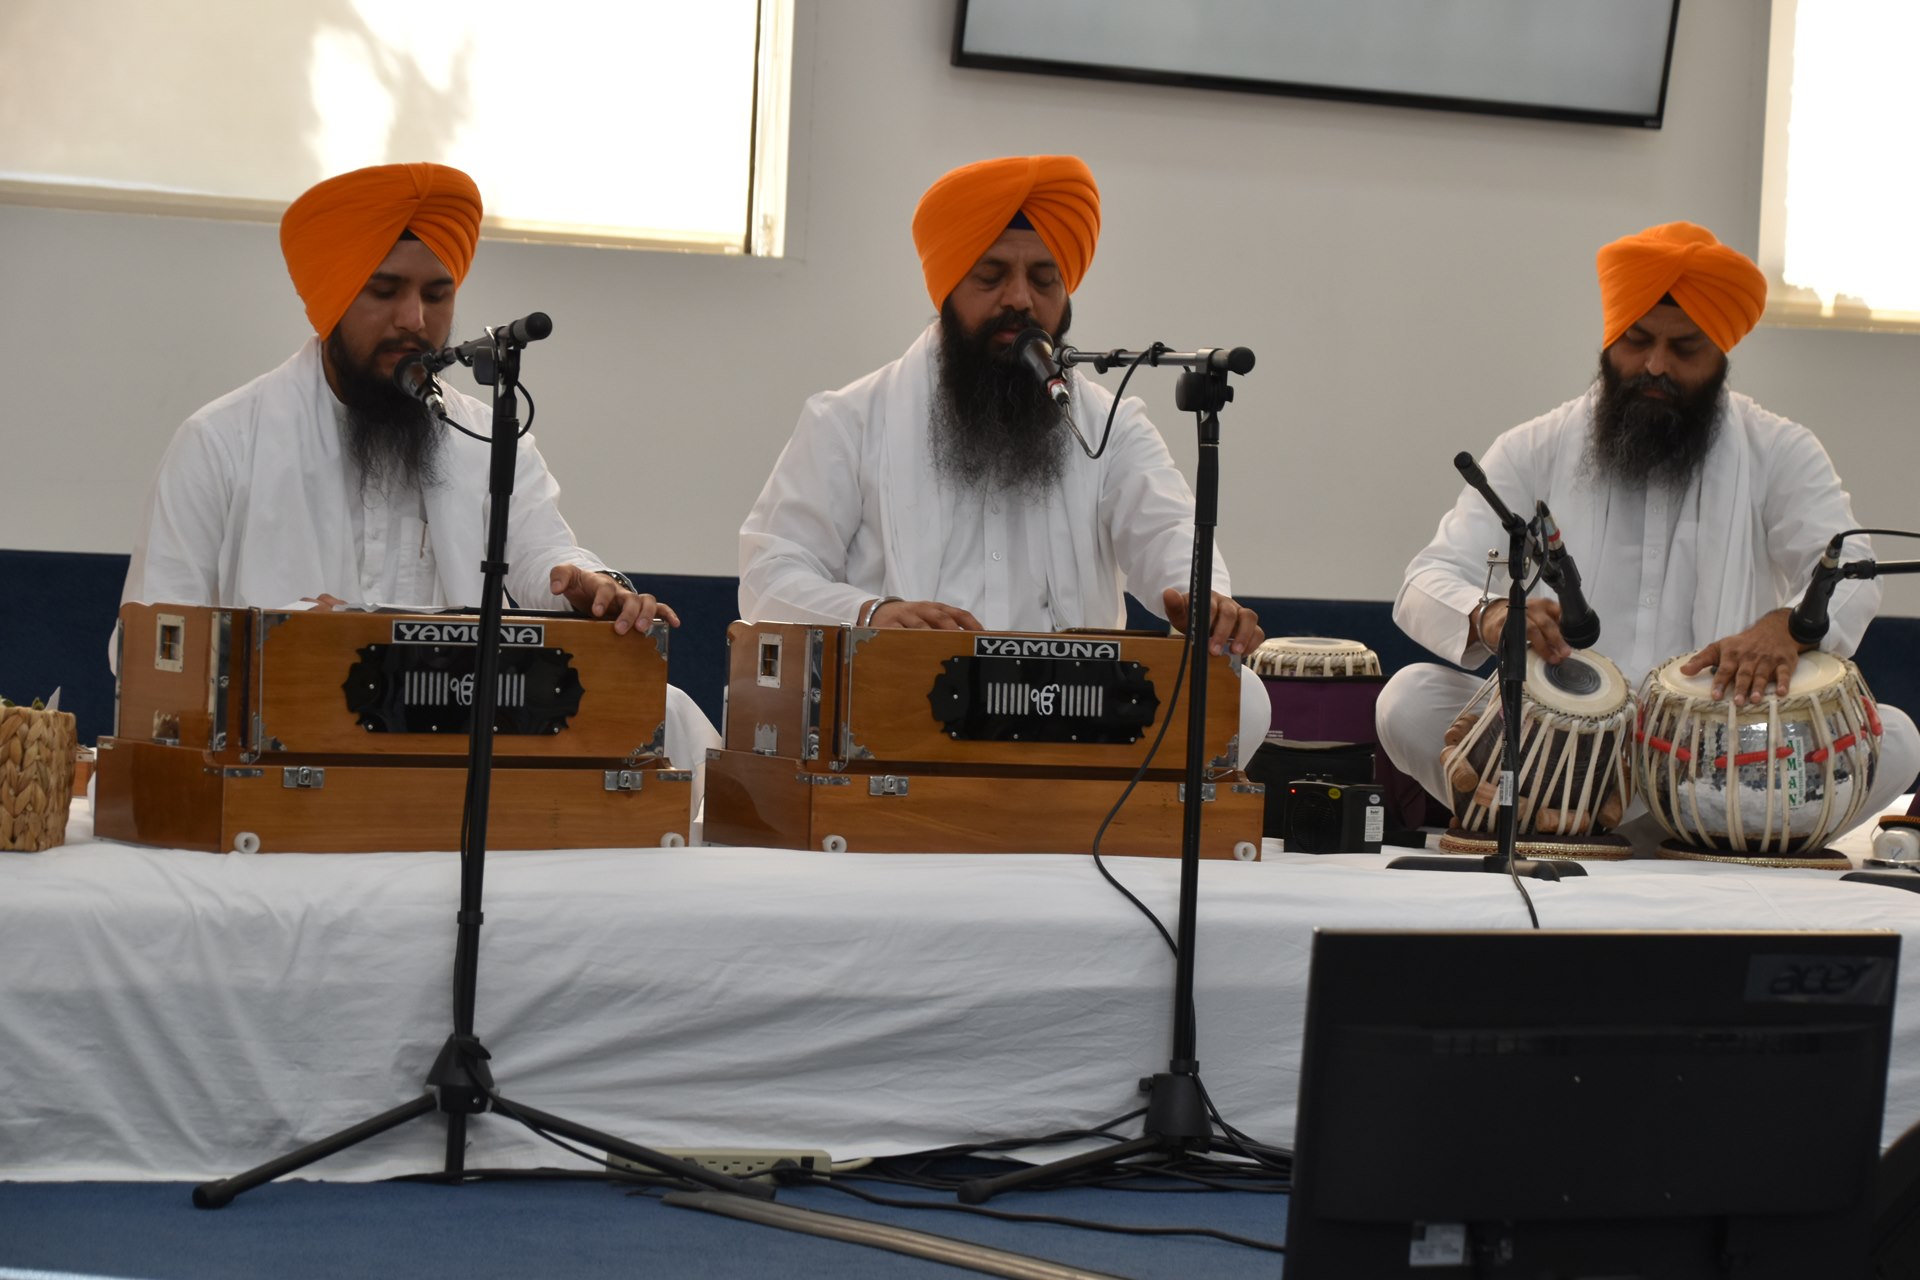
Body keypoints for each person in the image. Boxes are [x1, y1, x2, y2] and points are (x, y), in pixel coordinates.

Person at [119, 162, 715, 766]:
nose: (415, 320)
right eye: (385, 291)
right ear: (333, 297)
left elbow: (540, 556)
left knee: (674, 719)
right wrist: (292, 643)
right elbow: (149, 652)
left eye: (437, 294)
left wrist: (588, 586)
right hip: (279, 774)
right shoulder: (220, 443)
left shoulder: (486, 437)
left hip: (461, 765)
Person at [1376, 221, 1919, 844]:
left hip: (1717, 755)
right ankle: (1562, 811)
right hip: (1558, 743)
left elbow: (1852, 570)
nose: (1655, 366)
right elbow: (1426, 580)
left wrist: (1787, 629)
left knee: (1896, 737)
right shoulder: (1535, 448)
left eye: (1684, 349)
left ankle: (1584, 823)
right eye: (1636, 342)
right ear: (1610, 340)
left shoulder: (1779, 450)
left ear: (1721, 354)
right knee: (1408, 699)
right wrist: (1491, 615)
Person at [737, 154, 1268, 761]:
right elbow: (768, 575)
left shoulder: (1110, 424)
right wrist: (872, 613)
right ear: (948, 288)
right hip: (902, 704)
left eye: (1043, 279)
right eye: (991, 275)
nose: (1019, 299)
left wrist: (1201, 600)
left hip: (1074, 713)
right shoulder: (850, 421)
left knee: (1243, 698)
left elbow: (1170, 533)